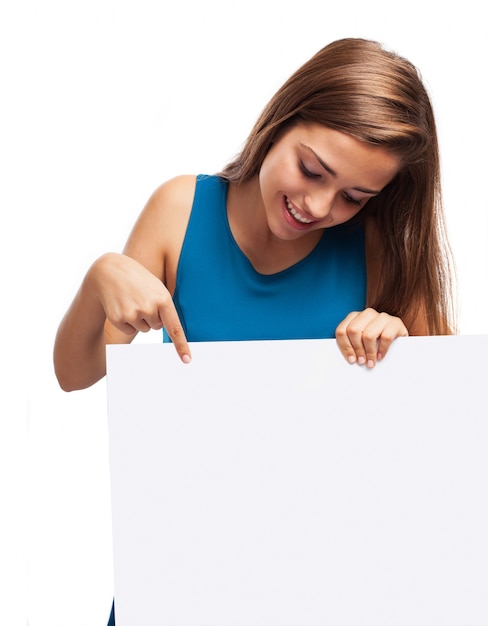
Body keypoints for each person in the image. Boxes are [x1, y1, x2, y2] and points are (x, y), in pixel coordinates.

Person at [53, 38, 455, 623]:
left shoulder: (377, 250)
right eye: (312, 169)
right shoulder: (180, 211)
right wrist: (97, 283)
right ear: (281, 119)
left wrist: (400, 345)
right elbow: (75, 373)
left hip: (317, 579)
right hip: (179, 566)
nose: (318, 205)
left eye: (354, 197)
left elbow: (444, 441)